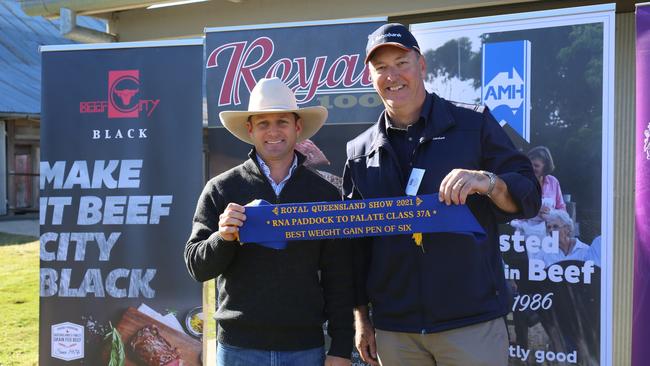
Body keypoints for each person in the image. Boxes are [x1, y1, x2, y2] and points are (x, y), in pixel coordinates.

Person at [342, 23, 541, 366]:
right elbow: (356, 247)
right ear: (369, 76)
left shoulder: (473, 124)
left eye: (401, 63)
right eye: (381, 68)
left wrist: (487, 181)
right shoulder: (359, 152)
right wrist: (362, 319)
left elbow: (528, 195)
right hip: (396, 330)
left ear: (422, 65)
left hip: (470, 323)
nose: (392, 76)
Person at [185, 77, 354, 366]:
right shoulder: (221, 188)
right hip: (238, 348)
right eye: (263, 123)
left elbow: (339, 276)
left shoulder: (324, 194)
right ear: (250, 130)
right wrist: (222, 238)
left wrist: (340, 347)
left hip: (306, 348)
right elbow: (197, 266)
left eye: (282, 122)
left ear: (297, 128)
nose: (273, 131)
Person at [530, 209, 601, 267]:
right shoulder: (545, 252)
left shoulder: (585, 251)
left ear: (568, 229)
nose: (551, 230)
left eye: (555, 226)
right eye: (549, 227)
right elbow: (533, 271)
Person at [527, 146, 566, 215]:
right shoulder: (521, 181)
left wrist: (551, 213)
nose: (532, 168)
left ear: (545, 167)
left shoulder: (553, 182)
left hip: (549, 225)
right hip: (523, 225)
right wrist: (535, 211)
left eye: (536, 166)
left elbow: (562, 208)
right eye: (530, 164)